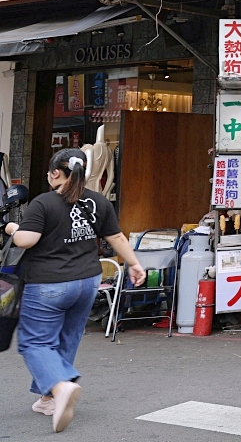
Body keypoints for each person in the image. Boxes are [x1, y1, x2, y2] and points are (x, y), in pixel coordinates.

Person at [5, 148, 146, 433]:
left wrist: (11, 228)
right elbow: (116, 236)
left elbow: (26, 240)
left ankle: (60, 386)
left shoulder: (43, 203)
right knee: (67, 338)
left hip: (49, 283)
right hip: (87, 282)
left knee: (35, 343)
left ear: (56, 173)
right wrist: (134, 263)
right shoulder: (98, 201)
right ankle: (48, 399)